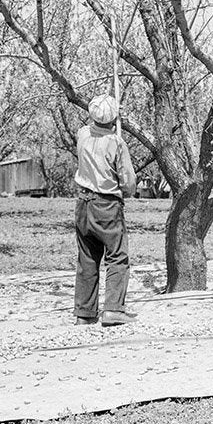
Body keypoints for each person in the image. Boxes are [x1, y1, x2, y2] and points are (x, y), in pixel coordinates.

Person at [73, 94, 138, 326]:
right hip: (107, 204)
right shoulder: (116, 143)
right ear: (114, 118)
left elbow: (92, 133)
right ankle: (113, 310)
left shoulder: (81, 134)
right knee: (117, 256)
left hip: (83, 203)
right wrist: (127, 189)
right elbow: (128, 181)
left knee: (88, 258)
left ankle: (84, 313)